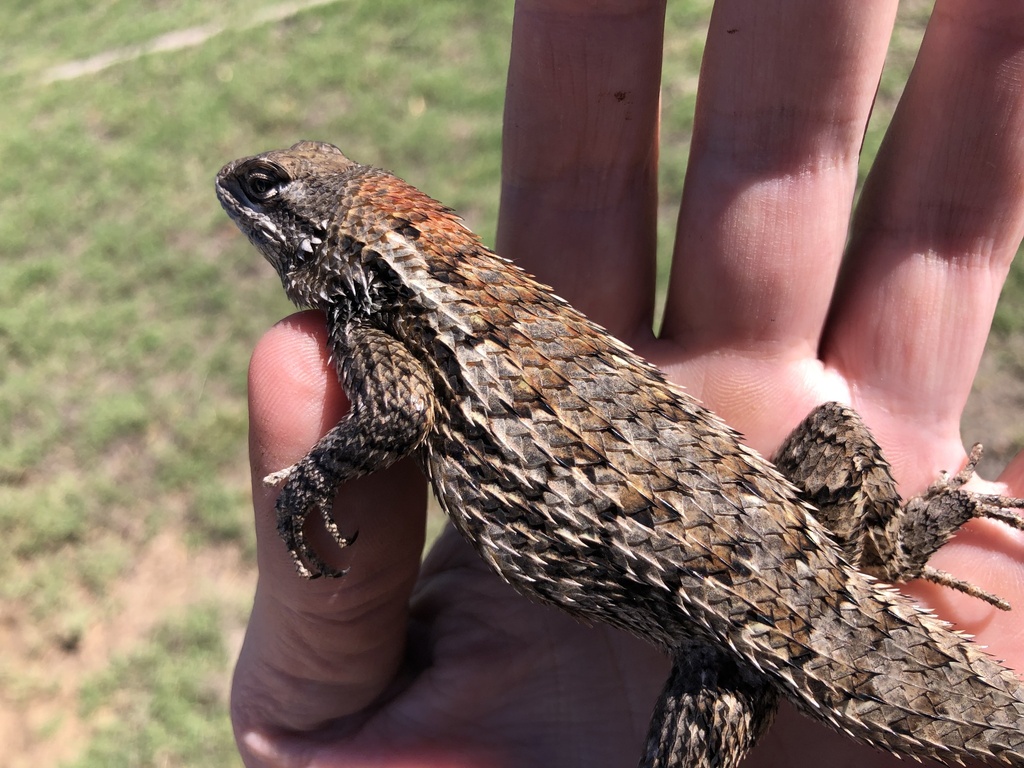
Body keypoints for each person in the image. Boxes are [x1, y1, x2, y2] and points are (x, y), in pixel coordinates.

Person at [232, 2, 1024, 766]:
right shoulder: (433, 294)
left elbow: (399, 413)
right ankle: (886, 548)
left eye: (266, 189)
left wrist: (316, 475)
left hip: (736, 636)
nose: (245, 192)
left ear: (323, 237)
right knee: (832, 433)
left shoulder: (372, 321)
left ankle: (886, 553)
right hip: (776, 571)